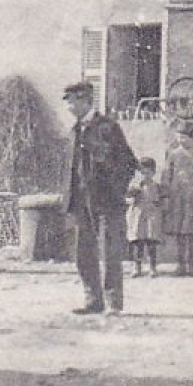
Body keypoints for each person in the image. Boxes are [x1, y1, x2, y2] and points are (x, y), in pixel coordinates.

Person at [60, 81, 138, 314]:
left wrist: (114, 188)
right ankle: (93, 300)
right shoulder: (74, 130)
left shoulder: (108, 127)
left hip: (105, 201)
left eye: (72, 101)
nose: (69, 106)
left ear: (85, 100)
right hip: (80, 201)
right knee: (83, 252)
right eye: (68, 102)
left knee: (110, 251)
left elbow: (128, 163)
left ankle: (113, 302)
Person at [161, 121, 193, 276]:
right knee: (179, 232)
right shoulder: (173, 154)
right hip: (177, 199)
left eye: (184, 137)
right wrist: (166, 193)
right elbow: (166, 175)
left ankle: (192, 264)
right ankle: (180, 264)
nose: (181, 140)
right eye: (179, 136)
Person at [125, 157, 164, 278]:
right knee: (138, 242)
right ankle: (137, 266)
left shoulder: (156, 186)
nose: (145, 175)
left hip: (151, 214)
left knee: (151, 241)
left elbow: (161, 200)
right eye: (142, 172)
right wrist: (132, 198)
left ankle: (152, 267)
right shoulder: (134, 186)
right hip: (138, 214)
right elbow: (127, 199)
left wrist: (158, 206)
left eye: (148, 173)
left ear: (153, 173)